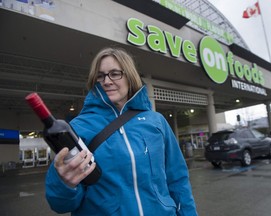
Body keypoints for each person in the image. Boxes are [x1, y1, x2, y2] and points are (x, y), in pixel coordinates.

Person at [45, 47, 198, 216]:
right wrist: (65, 184)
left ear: (129, 76)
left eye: (115, 73)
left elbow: (178, 180)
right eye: (101, 75)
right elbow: (59, 204)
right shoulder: (78, 127)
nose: (107, 81)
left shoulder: (156, 121)